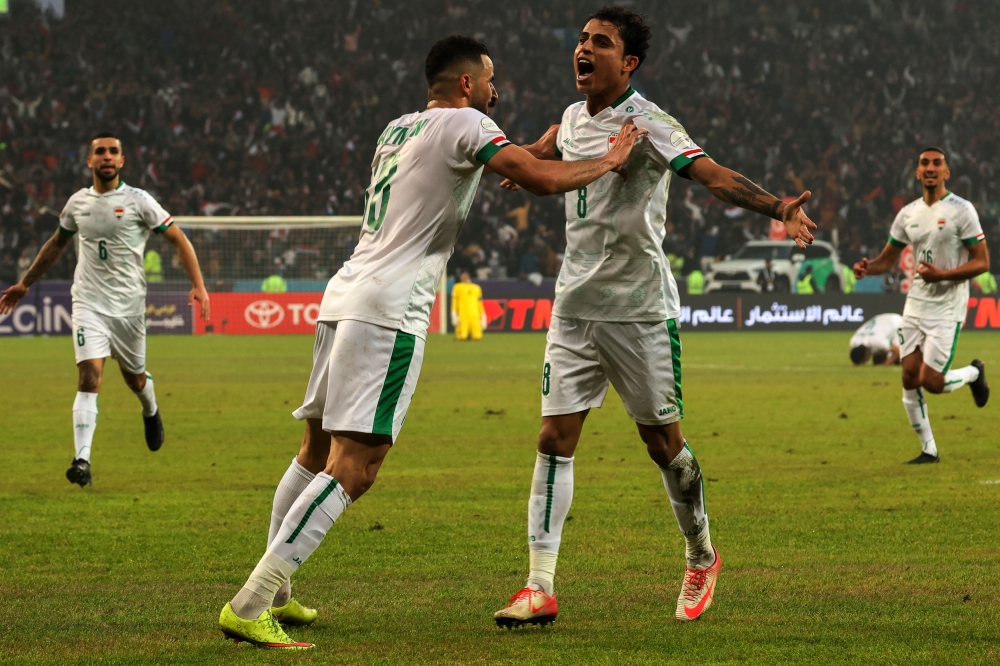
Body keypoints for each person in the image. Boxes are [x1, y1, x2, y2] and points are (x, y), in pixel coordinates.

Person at [217, 34, 648, 650]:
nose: (497, 92)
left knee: (314, 447)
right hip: (390, 309)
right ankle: (253, 600)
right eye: (491, 81)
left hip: (343, 295)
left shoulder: (398, 127)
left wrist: (529, 146)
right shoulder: (471, 122)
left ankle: (277, 595)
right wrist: (608, 160)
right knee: (356, 464)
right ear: (468, 84)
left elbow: (467, 166)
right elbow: (538, 181)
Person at [492, 6, 816, 627]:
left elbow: (713, 176)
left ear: (629, 62)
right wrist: (527, 156)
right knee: (553, 438)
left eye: (601, 43)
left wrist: (777, 206)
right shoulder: (570, 115)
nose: (584, 50)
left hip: (639, 309)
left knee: (662, 444)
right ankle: (538, 586)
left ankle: (701, 554)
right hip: (574, 307)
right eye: (583, 39)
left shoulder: (649, 123)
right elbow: (551, 142)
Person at [0, 132, 210, 487]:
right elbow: (56, 245)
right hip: (88, 304)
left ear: (122, 161)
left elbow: (179, 239)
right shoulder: (77, 203)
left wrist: (199, 285)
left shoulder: (139, 201)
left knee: (135, 380)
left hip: (128, 310)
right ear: (90, 161)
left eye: (113, 151)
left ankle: (151, 409)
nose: (107, 157)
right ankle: (82, 460)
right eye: (100, 152)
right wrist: (25, 283)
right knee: (89, 377)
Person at [854, 147, 990, 464]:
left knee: (932, 382)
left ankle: (973, 373)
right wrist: (868, 267)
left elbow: (983, 261)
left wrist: (943, 275)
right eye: (924, 163)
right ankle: (929, 449)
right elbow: (887, 259)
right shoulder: (908, 213)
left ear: (946, 172)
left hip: (948, 306)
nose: (930, 168)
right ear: (917, 173)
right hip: (916, 304)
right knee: (909, 376)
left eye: (937, 163)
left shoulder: (962, 210)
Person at [451, 270, 486, 340]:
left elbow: (480, 303)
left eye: (465, 275)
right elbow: (454, 301)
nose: (464, 277)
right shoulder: (457, 287)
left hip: (475, 314)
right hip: (463, 315)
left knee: (477, 337)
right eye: (462, 276)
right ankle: (466, 334)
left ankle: (471, 334)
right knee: (462, 336)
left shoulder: (477, 288)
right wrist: (454, 313)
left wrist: (483, 315)